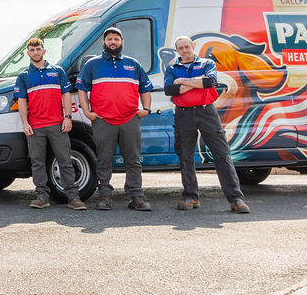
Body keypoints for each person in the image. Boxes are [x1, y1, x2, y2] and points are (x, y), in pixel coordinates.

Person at [164, 36, 250, 213]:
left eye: (187, 46)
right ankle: (190, 197)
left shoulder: (207, 63)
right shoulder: (172, 68)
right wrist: (197, 83)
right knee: (186, 156)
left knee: (222, 154)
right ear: (177, 51)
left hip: (207, 112)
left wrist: (183, 82)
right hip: (183, 114)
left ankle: (236, 199)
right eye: (180, 48)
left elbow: (210, 82)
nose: (185, 50)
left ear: (193, 46)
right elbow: (169, 90)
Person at [76, 27, 154, 211]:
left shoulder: (133, 64)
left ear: (122, 42)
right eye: (110, 39)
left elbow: (145, 88)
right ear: (104, 42)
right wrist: (87, 112)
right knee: (103, 160)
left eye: (116, 39)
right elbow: (81, 89)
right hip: (103, 120)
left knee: (133, 160)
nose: (113, 42)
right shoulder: (92, 65)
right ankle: (104, 196)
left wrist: (147, 109)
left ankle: (136, 197)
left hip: (130, 119)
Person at [14, 38, 86, 210]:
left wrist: (67, 117)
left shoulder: (57, 71)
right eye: (32, 50)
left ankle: (73, 198)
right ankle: (42, 196)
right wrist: (25, 123)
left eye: (38, 49)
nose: (35, 52)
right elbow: (22, 102)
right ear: (28, 53)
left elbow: (66, 95)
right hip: (35, 126)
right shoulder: (24, 76)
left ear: (44, 51)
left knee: (65, 160)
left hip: (57, 125)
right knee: (37, 162)